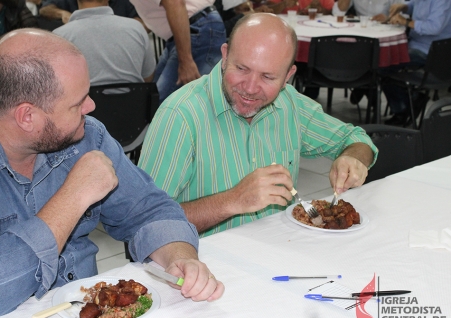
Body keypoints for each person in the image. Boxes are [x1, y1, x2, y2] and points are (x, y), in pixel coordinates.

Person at [0, 29, 224, 318]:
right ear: (27, 117)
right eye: (78, 103)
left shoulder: (83, 134)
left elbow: (148, 209)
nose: (91, 107)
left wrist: (180, 256)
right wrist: (73, 196)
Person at [138, 13, 377, 237]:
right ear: (225, 56)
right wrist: (232, 200)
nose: (250, 88)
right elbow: (145, 222)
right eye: (241, 68)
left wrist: (353, 159)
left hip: (281, 250)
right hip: (203, 266)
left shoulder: (290, 105)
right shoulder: (180, 115)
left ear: (288, 77)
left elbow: (355, 138)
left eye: (268, 77)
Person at [129, 0, 226, 102]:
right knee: (151, 100)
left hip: (195, 29)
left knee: (158, 105)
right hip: (188, 32)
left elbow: (174, 2)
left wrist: (186, 60)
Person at [53, 0, 155, 85]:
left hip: (84, 108)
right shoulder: (137, 28)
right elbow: (148, 77)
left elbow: (56, 83)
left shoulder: (58, 37)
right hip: (135, 106)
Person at [382, 0, 451, 126]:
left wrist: (406, 22)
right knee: (383, 62)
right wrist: (404, 7)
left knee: (383, 66)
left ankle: (404, 109)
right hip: (414, 45)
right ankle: (412, 102)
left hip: (431, 53)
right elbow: (414, 5)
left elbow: (434, 27)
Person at [39, 0, 140, 24]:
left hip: (119, 44)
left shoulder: (124, 2)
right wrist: (62, 13)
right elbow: (45, 9)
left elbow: (143, 21)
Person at [333, 0, 403, 23]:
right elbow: (337, 12)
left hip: (386, 33)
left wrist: (387, 18)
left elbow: (402, 16)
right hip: (360, 32)